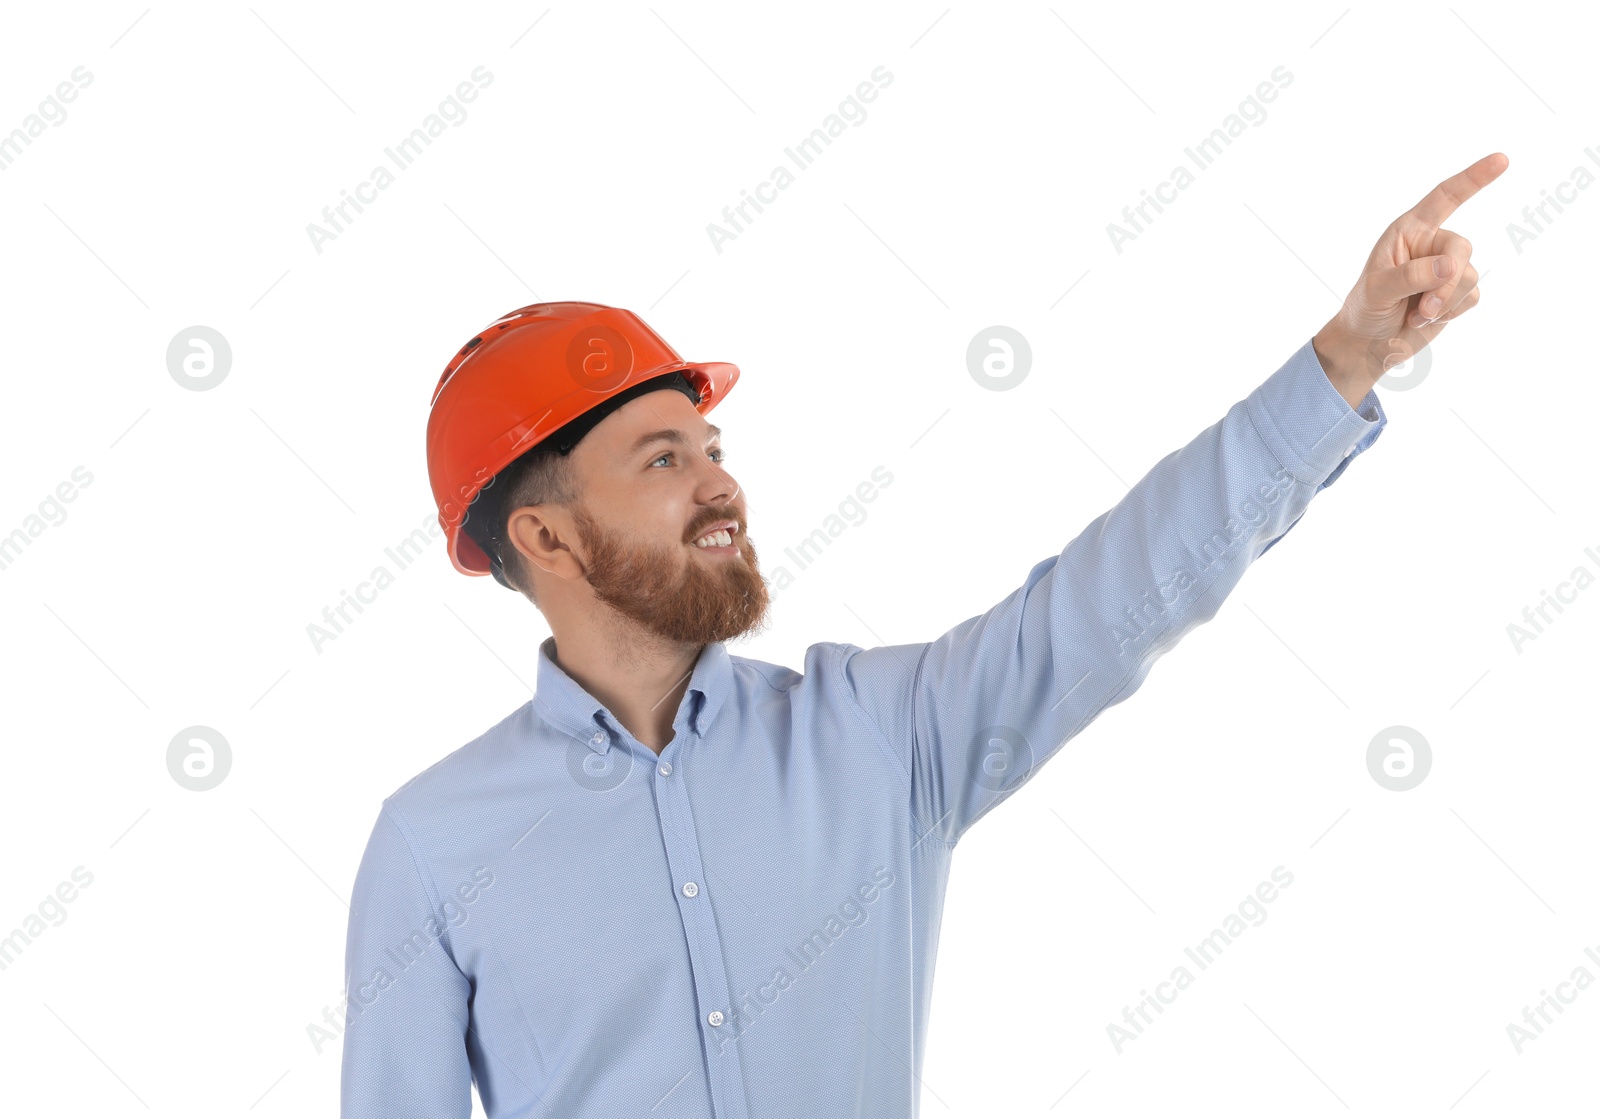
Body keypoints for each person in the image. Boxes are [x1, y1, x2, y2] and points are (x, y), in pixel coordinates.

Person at [340, 153, 1508, 1118]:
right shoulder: (435, 847)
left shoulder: (878, 735)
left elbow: (1119, 593)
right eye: (661, 460)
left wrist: (1345, 360)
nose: (718, 487)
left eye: (713, 452)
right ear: (544, 539)